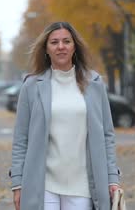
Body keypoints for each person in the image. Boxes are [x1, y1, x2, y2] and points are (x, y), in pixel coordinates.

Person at [10, 22, 121, 210]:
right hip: (43, 184)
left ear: (74, 46)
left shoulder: (94, 83)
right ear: (46, 49)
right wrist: (18, 184)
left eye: (66, 41)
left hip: (84, 185)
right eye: (54, 42)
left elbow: (107, 136)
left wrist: (112, 178)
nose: (60, 46)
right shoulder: (31, 86)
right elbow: (21, 139)